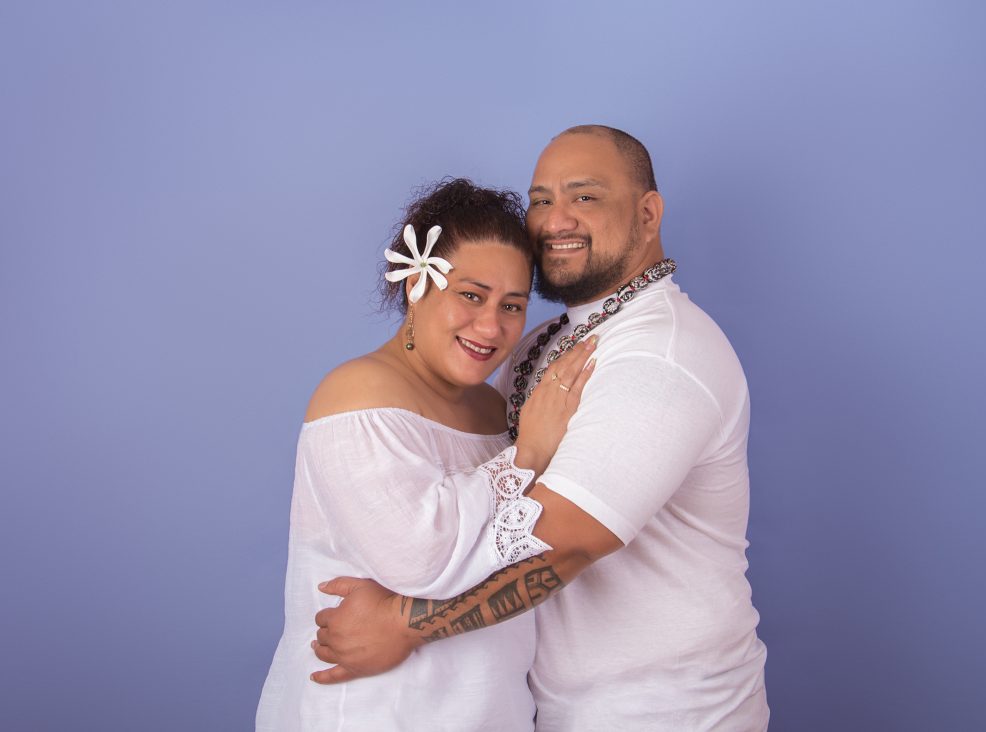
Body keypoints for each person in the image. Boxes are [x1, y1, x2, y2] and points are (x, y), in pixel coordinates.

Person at [311, 127, 770, 731]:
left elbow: (566, 540)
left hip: (667, 711)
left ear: (648, 213)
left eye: (584, 197)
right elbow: (480, 506)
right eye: (541, 199)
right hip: (555, 708)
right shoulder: (544, 345)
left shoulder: (662, 353)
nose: (555, 220)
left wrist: (402, 622)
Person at [255, 178, 597, 731]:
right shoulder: (356, 394)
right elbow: (421, 561)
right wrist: (528, 454)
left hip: (486, 708)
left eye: (512, 305)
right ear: (417, 282)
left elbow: (529, 544)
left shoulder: (495, 411)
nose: (491, 326)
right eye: (471, 294)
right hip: (378, 710)